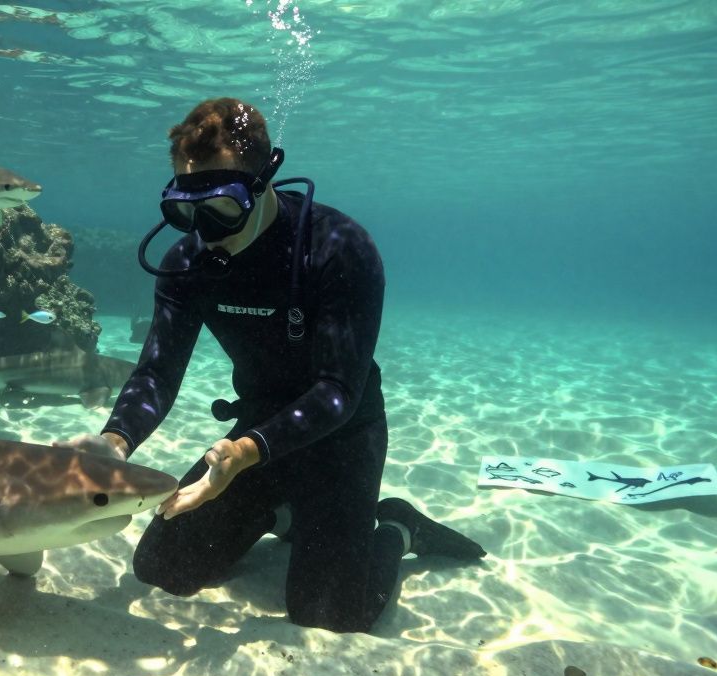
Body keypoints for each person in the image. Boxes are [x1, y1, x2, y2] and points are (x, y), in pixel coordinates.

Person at [60, 98, 486, 633]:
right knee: (161, 568)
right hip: (255, 434)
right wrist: (115, 442)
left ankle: (397, 526)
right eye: (185, 211)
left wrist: (242, 453)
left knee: (329, 614)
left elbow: (336, 391)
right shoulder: (186, 263)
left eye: (220, 206)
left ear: (263, 183)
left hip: (342, 436)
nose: (204, 230)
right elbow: (156, 373)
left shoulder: (338, 248)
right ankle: (283, 515)